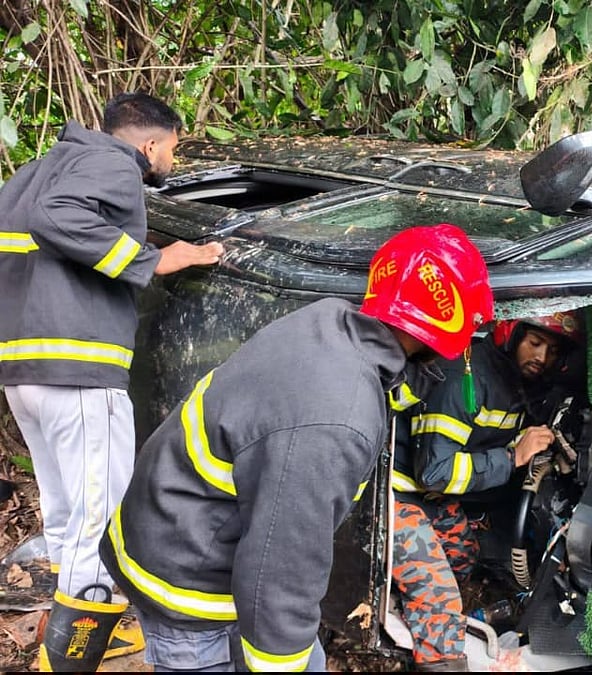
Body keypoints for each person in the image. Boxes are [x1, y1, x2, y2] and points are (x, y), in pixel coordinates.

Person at [94, 223, 493, 673]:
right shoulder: (335, 420)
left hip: (177, 529)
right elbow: (280, 568)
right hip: (188, 585)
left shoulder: (329, 322)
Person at [0, 92, 225, 671]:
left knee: (66, 512)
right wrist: (155, 261)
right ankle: (70, 659)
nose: (171, 159)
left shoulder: (39, 169)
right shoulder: (111, 164)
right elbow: (59, 218)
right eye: (172, 148)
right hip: (78, 371)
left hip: (24, 370)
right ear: (150, 144)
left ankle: (74, 630)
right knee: (101, 519)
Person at [389, 311, 585, 671]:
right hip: (396, 494)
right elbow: (434, 473)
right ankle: (440, 656)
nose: (542, 357)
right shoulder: (463, 376)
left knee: (463, 557)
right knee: (438, 599)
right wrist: (513, 458)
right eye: (535, 343)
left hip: (431, 499)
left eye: (554, 351)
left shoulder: (518, 383)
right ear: (511, 334)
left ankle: (411, 612)